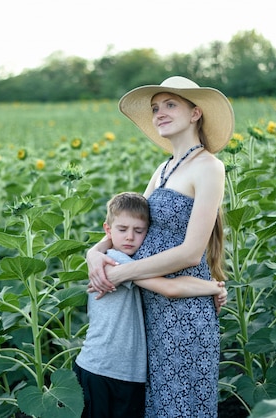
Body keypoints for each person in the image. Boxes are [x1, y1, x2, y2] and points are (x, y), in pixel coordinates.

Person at [87, 76, 234, 417]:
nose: (159, 113)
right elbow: (133, 226)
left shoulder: (210, 167)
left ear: (196, 113)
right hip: (152, 308)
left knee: (181, 406)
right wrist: (94, 253)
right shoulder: (163, 168)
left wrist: (121, 272)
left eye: (170, 105)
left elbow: (190, 253)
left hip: (183, 311)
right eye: (155, 108)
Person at [75, 191, 227, 418]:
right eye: (122, 230)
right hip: (103, 368)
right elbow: (170, 288)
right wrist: (214, 287)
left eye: (139, 231)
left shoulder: (130, 262)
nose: (129, 237)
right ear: (108, 230)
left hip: (126, 372)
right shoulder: (115, 261)